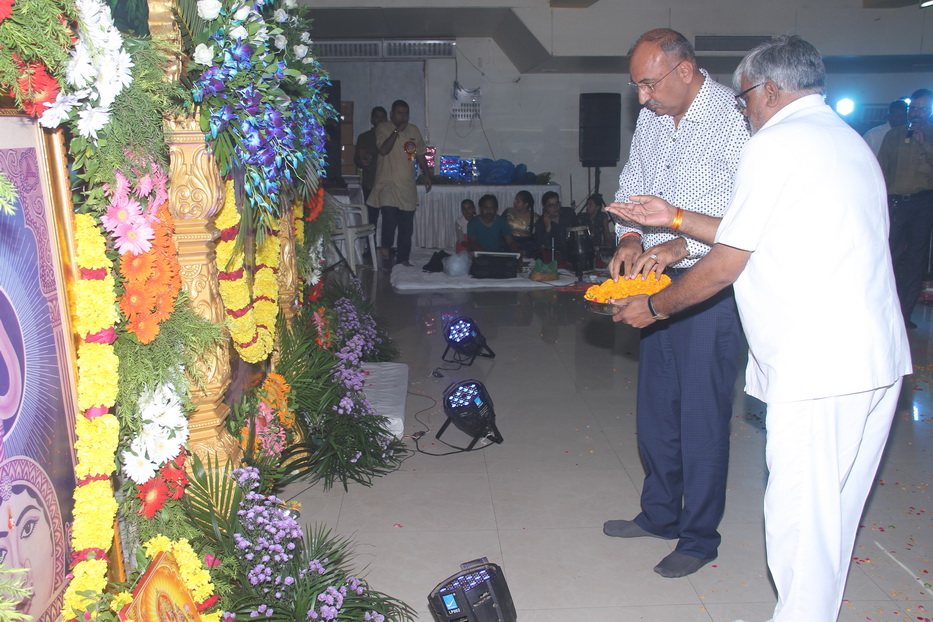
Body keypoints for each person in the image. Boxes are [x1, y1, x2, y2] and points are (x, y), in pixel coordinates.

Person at [609, 35, 911, 622]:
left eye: (745, 96)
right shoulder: (844, 139)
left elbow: (727, 261)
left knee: (799, 521)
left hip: (819, 362)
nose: (742, 108)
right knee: (830, 519)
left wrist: (655, 307)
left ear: (769, 90)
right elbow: (761, 230)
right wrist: (670, 218)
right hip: (872, 356)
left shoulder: (772, 144)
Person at [600, 28, 749, 579]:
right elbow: (633, 183)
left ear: (684, 70)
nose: (642, 98)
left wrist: (679, 245)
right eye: (637, 87)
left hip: (709, 284)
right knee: (657, 406)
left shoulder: (735, 118)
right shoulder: (654, 117)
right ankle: (660, 513)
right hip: (655, 279)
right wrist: (629, 238)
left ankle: (699, 536)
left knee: (701, 414)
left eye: (648, 84)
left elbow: (745, 217)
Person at [877, 88, 933, 329]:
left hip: (923, 203)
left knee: (915, 259)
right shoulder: (894, 135)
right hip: (896, 202)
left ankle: (905, 313)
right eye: (913, 108)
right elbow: (882, 169)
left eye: (922, 109)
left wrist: (924, 145)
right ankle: (885, 311)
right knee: (890, 255)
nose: (916, 113)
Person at [366, 99, 433, 267]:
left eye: (406, 113)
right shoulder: (383, 128)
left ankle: (403, 258)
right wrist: (396, 131)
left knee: (406, 226)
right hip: (387, 184)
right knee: (389, 218)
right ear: (391, 114)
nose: (403, 117)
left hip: (406, 186)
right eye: (399, 113)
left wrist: (427, 174)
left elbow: (420, 155)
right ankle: (386, 247)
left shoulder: (414, 130)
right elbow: (383, 150)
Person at [354, 106, 388, 226]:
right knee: (371, 218)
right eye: (377, 117)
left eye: (383, 117)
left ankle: (385, 239)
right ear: (372, 120)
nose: (380, 120)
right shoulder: (364, 137)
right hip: (370, 183)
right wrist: (362, 162)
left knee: (389, 218)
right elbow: (356, 160)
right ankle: (371, 239)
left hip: (388, 184)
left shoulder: (391, 137)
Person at [534, 191, 578, 261]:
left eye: (557, 203)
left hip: (574, 252)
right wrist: (547, 230)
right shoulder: (540, 223)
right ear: (545, 207)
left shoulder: (569, 213)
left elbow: (579, 231)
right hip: (554, 258)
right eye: (551, 205)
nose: (555, 207)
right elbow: (544, 246)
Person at [502, 190, 538, 256]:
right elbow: (501, 227)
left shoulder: (535, 217)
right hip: (508, 241)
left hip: (525, 244)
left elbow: (537, 235)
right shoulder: (508, 212)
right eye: (515, 200)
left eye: (518, 201)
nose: (514, 202)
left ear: (525, 204)